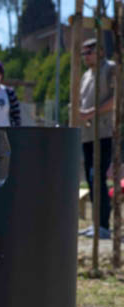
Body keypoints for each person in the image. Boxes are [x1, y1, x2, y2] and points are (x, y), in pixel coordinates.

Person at [77, 38, 116, 239]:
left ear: (100, 51)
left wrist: (92, 112)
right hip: (87, 135)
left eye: (88, 52)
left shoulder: (110, 69)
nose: (85, 57)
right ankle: (96, 223)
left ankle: (104, 225)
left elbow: (117, 98)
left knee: (98, 178)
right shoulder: (85, 76)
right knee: (91, 181)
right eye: (83, 53)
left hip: (104, 132)